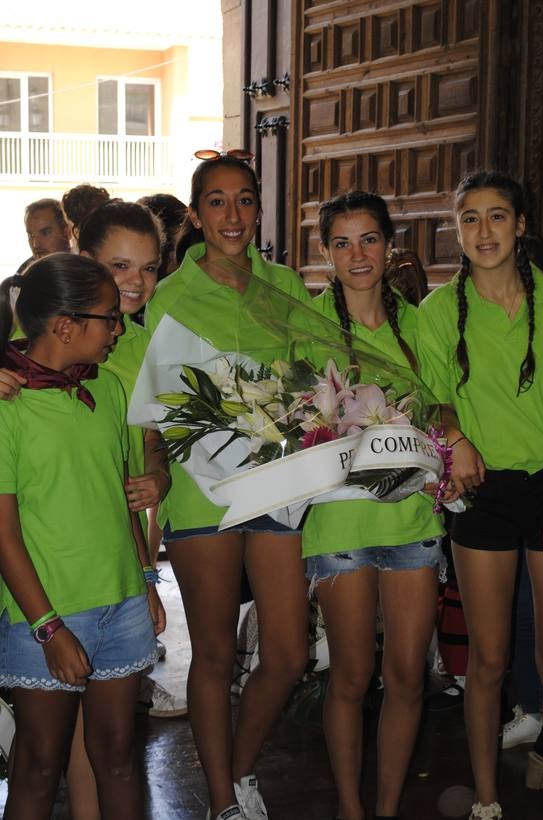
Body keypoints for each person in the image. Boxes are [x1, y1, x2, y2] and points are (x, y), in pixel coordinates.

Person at [416, 170, 543, 820]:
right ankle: (487, 802)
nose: (484, 231)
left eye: (497, 217)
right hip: (482, 496)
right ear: (457, 229)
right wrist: (455, 435)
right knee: (488, 662)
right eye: (470, 218)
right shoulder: (439, 311)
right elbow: (431, 400)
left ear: (521, 225)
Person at [144, 151, 313, 820]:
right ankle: (221, 802)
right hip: (200, 492)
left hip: (276, 485)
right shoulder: (170, 296)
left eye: (244, 200)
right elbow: (155, 403)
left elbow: (314, 376)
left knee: (291, 653)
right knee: (214, 654)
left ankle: (241, 769)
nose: (233, 215)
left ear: (259, 208)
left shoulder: (286, 285)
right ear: (196, 214)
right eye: (217, 202)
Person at [0, 252, 165, 820]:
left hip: (120, 603)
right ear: (66, 326)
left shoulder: (108, 393)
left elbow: (118, 498)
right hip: (42, 614)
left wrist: (145, 578)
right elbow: (4, 535)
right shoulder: (8, 407)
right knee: (39, 766)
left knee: (120, 755)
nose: (118, 329)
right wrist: (49, 628)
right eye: (108, 318)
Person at [301, 191, 448, 820]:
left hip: (413, 521)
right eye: (342, 242)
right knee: (353, 676)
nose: (357, 255)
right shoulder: (301, 322)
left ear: (390, 247)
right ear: (325, 252)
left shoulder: (420, 324)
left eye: (368, 240)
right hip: (339, 521)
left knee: (409, 675)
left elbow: (445, 405)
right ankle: (350, 809)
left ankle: (386, 809)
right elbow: (290, 420)